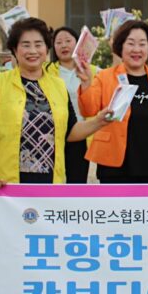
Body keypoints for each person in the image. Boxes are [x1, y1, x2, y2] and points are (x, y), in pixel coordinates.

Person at [0, 18, 111, 185]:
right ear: (15, 50)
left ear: (47, 49)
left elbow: (71, 131)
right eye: (25, 45)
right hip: (6, 184)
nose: (33, 50)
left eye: (38, 44)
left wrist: (99, 121)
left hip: (50, 184)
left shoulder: (58, 85)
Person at [77, 20, 148, 184]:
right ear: (120, 47)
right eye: (131, 43)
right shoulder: (105, 77)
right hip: (114, 166)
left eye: (142, 44)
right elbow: (88, 110)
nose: (136, 49)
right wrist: (86, 84)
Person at [45, 26, 95, 183]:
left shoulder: (92, 71)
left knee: (77, 181)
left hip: (81, 133)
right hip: (54, 135)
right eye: (58, 42)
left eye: (68, 41)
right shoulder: (45, 71)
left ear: (78, 43)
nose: (63, 45)